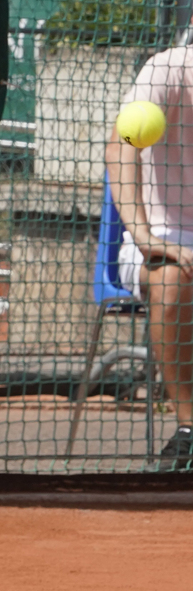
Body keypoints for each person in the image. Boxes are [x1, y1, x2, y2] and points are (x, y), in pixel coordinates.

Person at [107, 45, 193, 470]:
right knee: (171, 278)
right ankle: (189, 430)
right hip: (158, 242)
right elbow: (121, 146)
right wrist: (143, 236)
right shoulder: (167, 69)